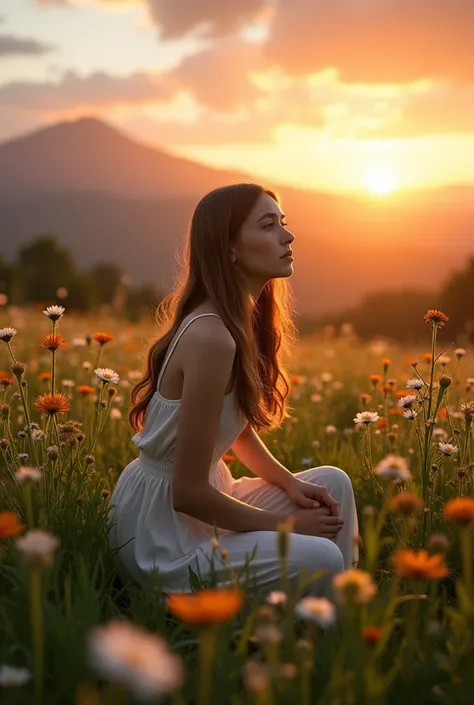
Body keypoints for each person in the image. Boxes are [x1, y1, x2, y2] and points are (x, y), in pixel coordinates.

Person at [108, 183, 359, 600]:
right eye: (267, 225)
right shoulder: (211, 337)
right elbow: (186, 493)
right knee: (321, 557)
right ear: (229, 249)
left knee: (331, 484)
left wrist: (288, 483)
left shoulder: (236, 322)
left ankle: (334, 611)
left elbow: (234, 426)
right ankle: (317, 626)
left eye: (283, 223)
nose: (287, 236)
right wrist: (287, 527)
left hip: (202, 502)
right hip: (163, 536)